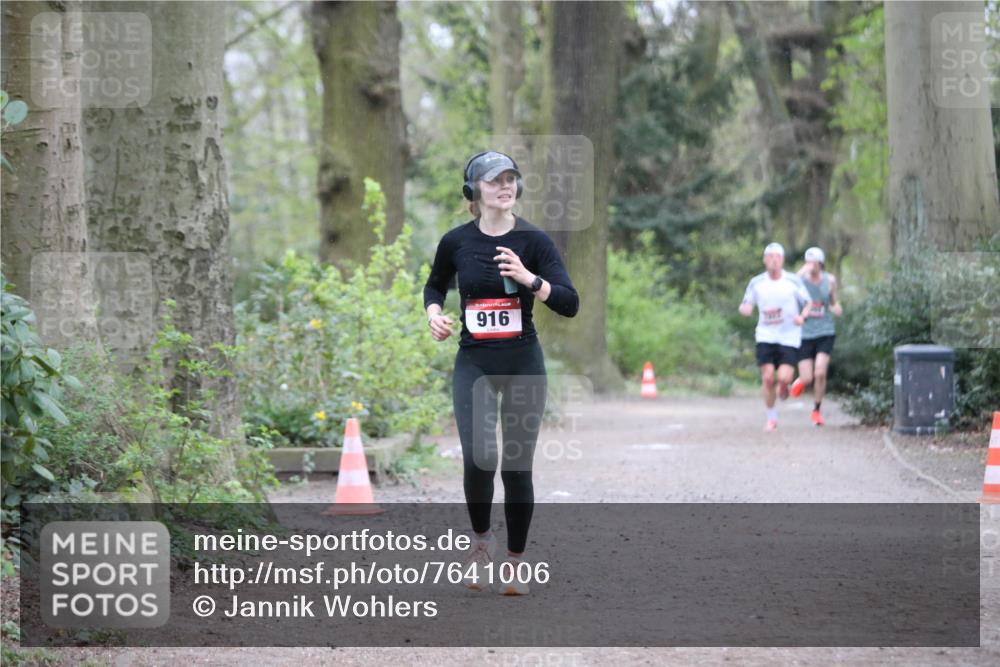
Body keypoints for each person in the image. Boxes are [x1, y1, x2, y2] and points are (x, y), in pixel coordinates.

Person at [423, 151, 579, 595]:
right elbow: (435, 284)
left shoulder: (534, 241)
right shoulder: (456, 242)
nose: (504, 186)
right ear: (474, 191)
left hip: (523, 364)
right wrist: (434, 312)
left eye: (510, 178)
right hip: (473, 362)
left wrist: (531, 279)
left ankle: (514, 561)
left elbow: (569, 303)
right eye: (494, 180)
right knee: (477, 457)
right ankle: (480, 544)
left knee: (515, 466)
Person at [739, 242, 812, 432]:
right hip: (766, 334)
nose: (773, 260)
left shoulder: (793, 281)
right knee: (768, 377)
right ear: (764, 260)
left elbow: (808, 303)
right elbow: (746, 303)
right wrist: (745, 308)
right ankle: (771, 417)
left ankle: (785, 385)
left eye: (777, 257)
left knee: (784, 377)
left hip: (789, 335)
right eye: (769, 257)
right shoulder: (756, 282)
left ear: (782, 260)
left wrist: (802, 316)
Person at [789, 247, 843, 425]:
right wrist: (802, 271)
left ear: (821, 263)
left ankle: (816, 411)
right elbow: (789, 286)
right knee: (808, 378)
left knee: (820, 372)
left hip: (825, 331)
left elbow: (834, 302)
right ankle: (800, 381)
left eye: (814, 262)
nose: (811, 266)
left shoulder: (830, 280)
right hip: (804, 333)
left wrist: (836, 308)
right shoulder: (800, 280)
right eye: (808, 262)